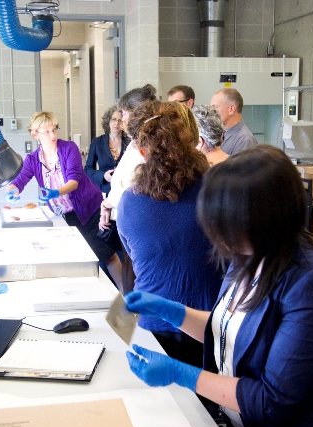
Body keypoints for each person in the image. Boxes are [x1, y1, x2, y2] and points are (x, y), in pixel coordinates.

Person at [124, 144, 313, 427]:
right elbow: (232, 332)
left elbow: (269, 402)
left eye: (228, 228)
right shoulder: (250, 256)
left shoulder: (312, 286)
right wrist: (173, 312)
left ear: (266, 220)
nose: (220, 240)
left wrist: (181, 373)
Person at [117, 102, 223, 367]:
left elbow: (136, 257)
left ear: (142, 152)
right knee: (204, 403)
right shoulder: (219, 193)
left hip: (152, 320)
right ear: (197, 143)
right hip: (209, 321)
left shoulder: (129, 202)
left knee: (161, 404)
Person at [5, 111, 123, 291]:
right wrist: (11, 191)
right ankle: (98, 293)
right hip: (66, 215)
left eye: (55, 130)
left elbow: (74, 181)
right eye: (47, 132)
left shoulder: (69, 148)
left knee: (106, 254)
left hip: (89, 209)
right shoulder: (33, 159)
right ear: (35, 134)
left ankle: (126, 296)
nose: (53, 135)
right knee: (82, 256)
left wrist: (55, 193)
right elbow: (19, 181)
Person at [99, 84, 159, 293]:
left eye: (123, 113)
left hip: (140, 220)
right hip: (127, 217)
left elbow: (132, 187)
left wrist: (108, 202)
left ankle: (137, 323)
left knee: (135, 279)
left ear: (136, 113)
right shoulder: (136, 141)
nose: (121, 119)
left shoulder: (148, 143)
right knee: (129, 275)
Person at [84, 105, 130, 195]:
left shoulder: (129, 143)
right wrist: (103, 175)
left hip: (125, 190)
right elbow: (88, 169)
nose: (116, 123)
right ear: (108, 121)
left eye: (120, 120)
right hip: (104, 190)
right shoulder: (97, 142)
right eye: (113, 119)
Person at [210, 88, 257, 155]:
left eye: (214, 108)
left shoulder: (244, 141)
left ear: (231, 109)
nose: (211, 112)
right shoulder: (221, 135)